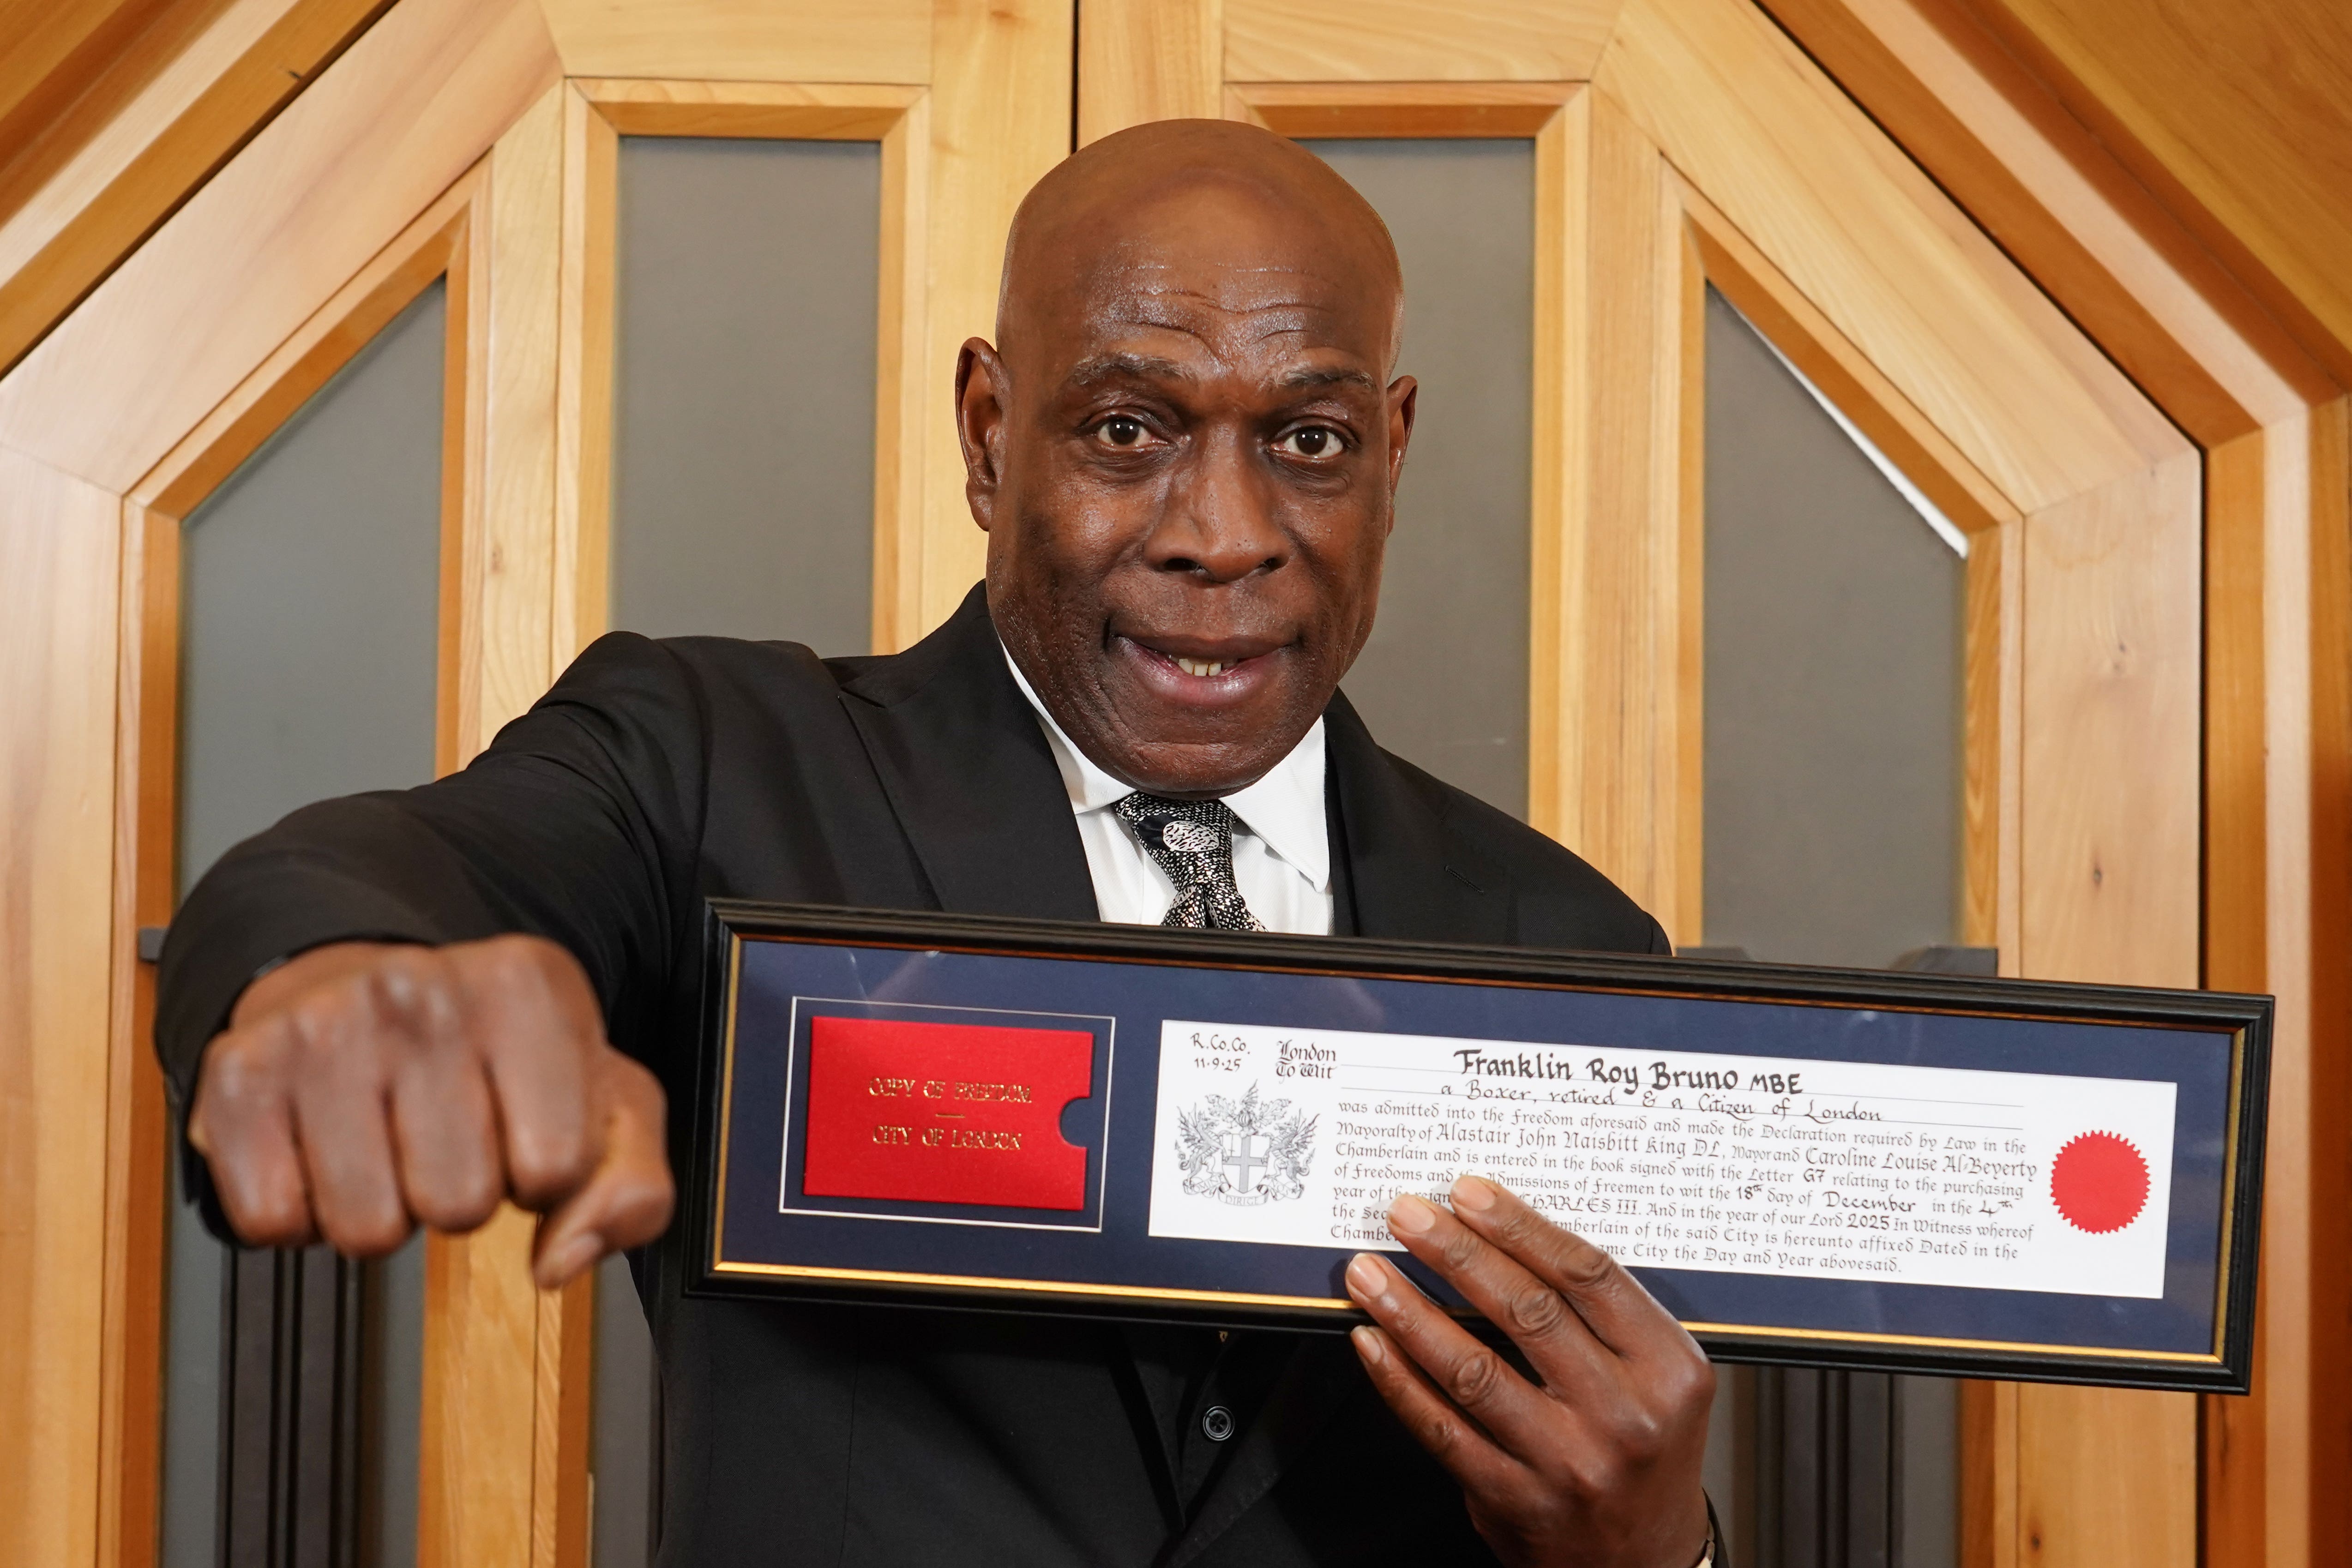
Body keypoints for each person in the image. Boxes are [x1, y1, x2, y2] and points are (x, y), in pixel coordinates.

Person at [159, 119, 1719, 1567]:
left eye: (1308, 443)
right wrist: (336, 964)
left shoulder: (1576, 952)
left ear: (1390, 449)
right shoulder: (721, 766)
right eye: (1128, 426)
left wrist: (1667, 1558)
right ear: (988, 435)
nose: (1225, 532)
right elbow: (401, 868)